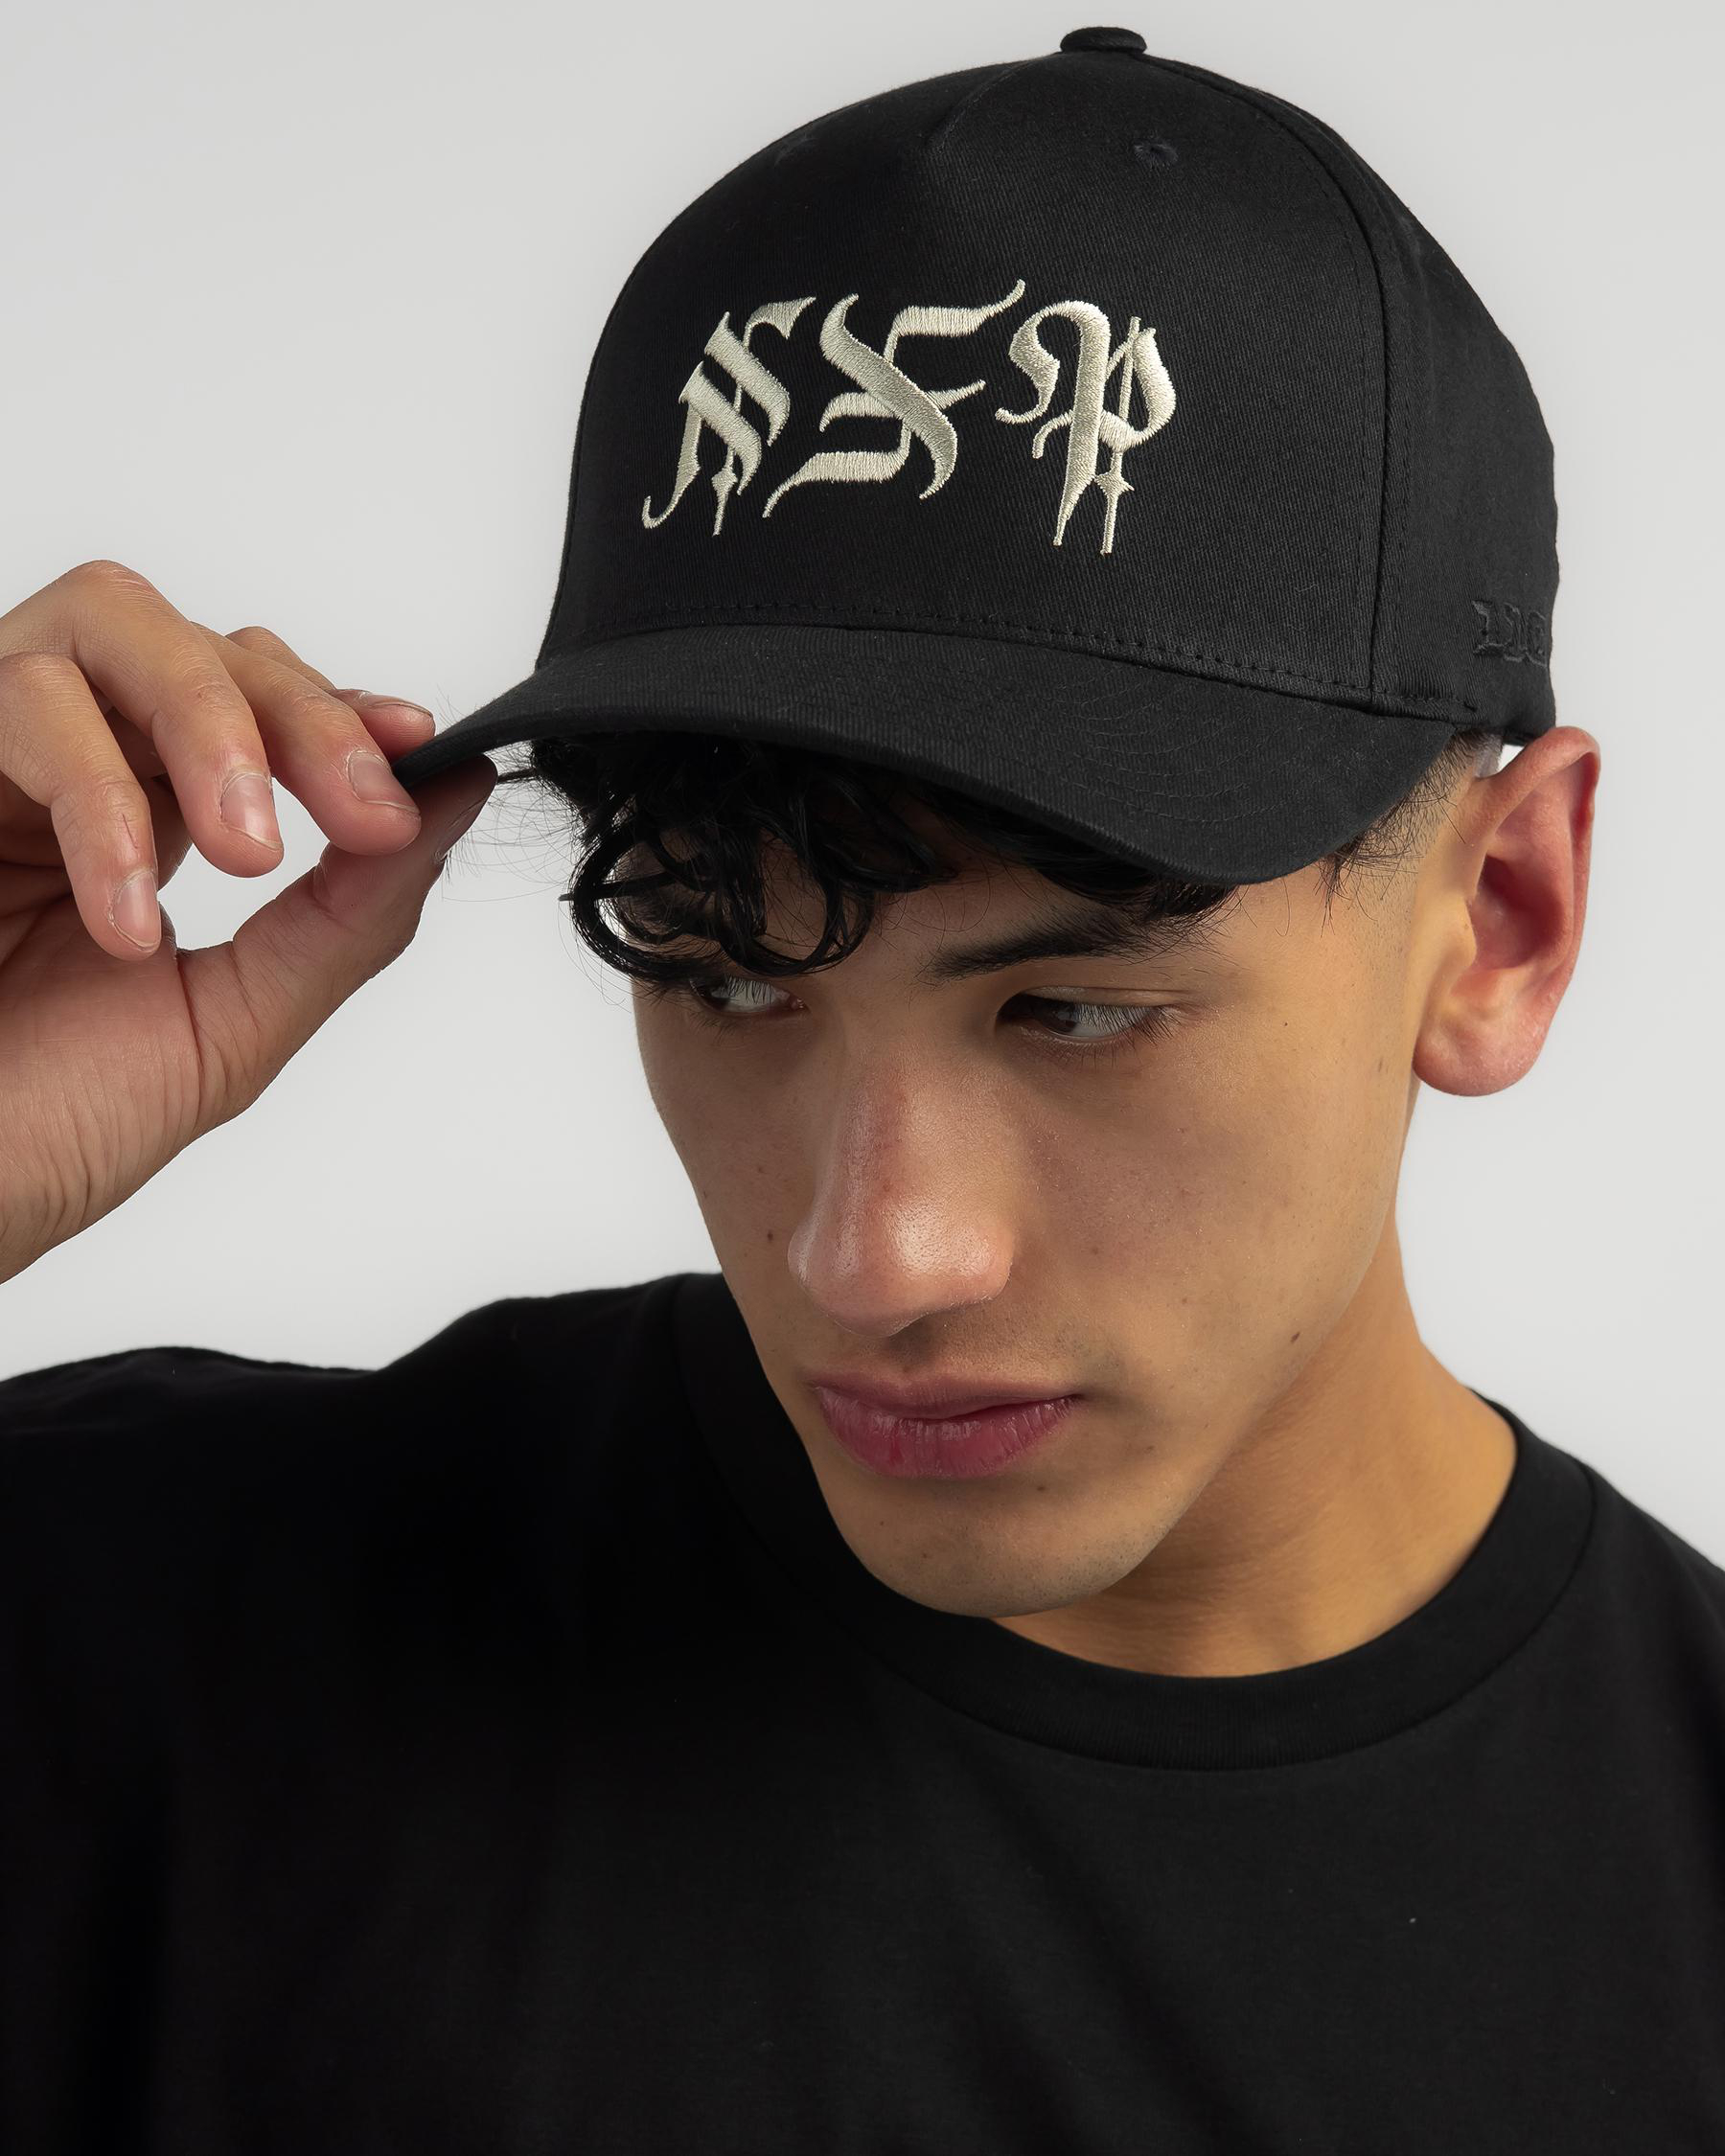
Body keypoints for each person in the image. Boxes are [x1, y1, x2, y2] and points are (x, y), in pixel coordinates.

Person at [1, 26, 1719, 2154]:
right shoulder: (165, 1650)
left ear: (1507, 914)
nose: (873, 1253)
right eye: (725, 979)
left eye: (1071, 1011)